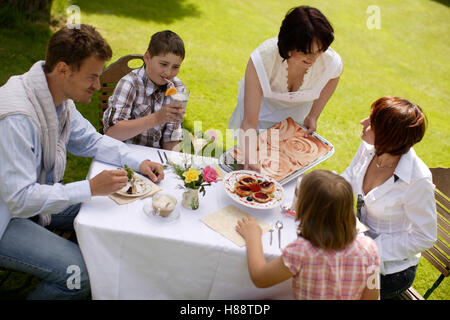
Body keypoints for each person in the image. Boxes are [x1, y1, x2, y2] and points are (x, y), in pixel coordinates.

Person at [0, 24, 164, 299]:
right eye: (92, 77)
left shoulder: (56, 97)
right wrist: (89, 188)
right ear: (63, 70)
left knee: (115, 203)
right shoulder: (17, 118)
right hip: (7, 217)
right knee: (79, 273)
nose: (98, 86)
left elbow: (91, 140)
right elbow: (19, 198)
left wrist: (138, 161)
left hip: (23, 202)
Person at [341, 96, 437, 299]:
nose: (363, 123)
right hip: (355, 244)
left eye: (371, 123)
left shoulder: (416, 180)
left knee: (323, 279)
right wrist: (316, 191)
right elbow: (348, 178)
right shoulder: (371, 148)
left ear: (387, 137)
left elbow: (425, 236)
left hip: (390, 271)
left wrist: (369, 251)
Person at [236, 170, 380, 300]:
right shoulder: (370, 249)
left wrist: (253, 237)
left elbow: (260, 278)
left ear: (305, 209)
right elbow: (372, 297)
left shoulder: (301, 250)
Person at [228, 6, 342, 169]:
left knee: (286, 170)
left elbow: (334, 76)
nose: (313, 58)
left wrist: (313, 115)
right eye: (306, 52)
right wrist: (250, 157)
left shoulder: (330, 61)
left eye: (319, 51)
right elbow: (249, 121)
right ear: (288, 44)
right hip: (259, 115)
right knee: (248, 166)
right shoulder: (262, 60)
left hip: (296, 120)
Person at [102, 30, 187, 150]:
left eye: (175, 67)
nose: (168, 72)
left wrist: (175, 162)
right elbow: (112, 134)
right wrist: (157, 118)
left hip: (153, 159)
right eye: (163, 64)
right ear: (147, 57)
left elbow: (170, 141)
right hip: (122, 154)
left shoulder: (178, 89)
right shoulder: (130, 84)